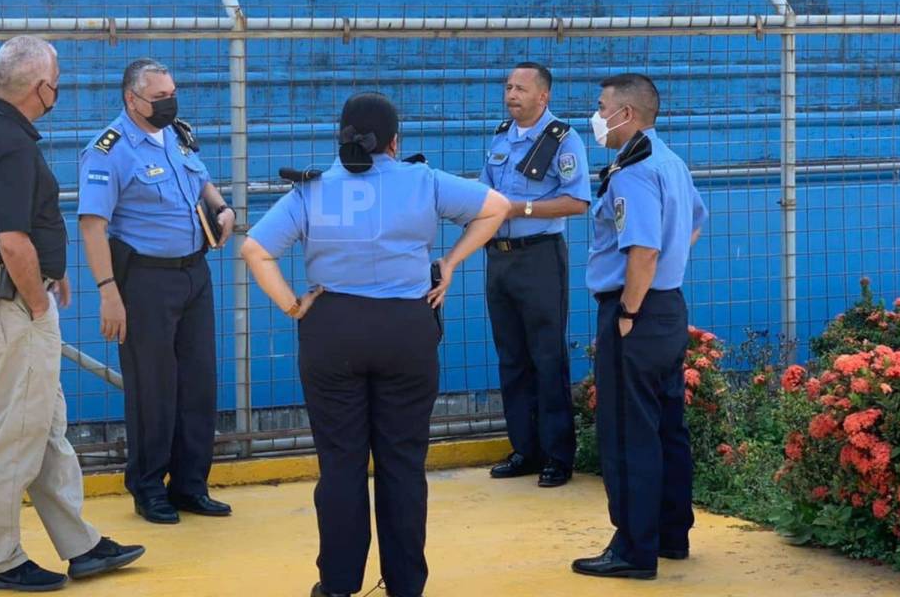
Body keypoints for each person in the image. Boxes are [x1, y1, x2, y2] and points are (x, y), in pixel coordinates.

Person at [240, 93, 509, 597]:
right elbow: (496, 208)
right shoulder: (423, 181)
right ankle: (405, 584)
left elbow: (255, 248)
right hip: (406, 328)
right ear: (394, 142)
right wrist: (448, 264)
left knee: (340, 463)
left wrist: (293, 306)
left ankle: (338, 585)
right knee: (403, 463)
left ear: (340, 136)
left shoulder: (311, 191)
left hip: (333, 328)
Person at [0, 35, 144, 591]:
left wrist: (48, 274)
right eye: (57, 77)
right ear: (41, 88)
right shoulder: (11, 145)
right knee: (15, 434)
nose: (60, 86)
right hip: (11, 306)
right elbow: (11, 239)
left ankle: (79, 545)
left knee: (45, 426)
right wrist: (37, 300)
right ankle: (1, 560)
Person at [77, 58, 234, 524]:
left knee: (198, 381)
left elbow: (204, 184)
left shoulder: (177, 135)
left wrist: (223, 210)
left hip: (193, 274)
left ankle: (190, 485)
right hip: (144, 281)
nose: (170, 102)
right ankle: (149, 487)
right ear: (132, 99)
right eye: (160, 96)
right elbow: (92, 225)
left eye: (172, 94)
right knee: (154, 388)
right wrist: (108, 291)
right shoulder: (110, 150)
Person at [572, 73, 708, 580]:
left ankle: (633, 548)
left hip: (638, 311)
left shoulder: (633, 171)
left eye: (602, 105)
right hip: (669, 306)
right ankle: (671, 534)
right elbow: (695, 221)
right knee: (668, 427)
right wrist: (663, 269)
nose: (597, 115)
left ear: (625, 114)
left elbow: (643, 251)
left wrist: (629, 310)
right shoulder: (670, 161)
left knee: (629, 433)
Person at [480, 62, 591, 487]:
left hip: (540, 257)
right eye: (508, 87)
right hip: (500, 258)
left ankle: (558, 456)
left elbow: (577, 201)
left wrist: (519, 208)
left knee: (547, 357)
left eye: (520, 89)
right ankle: (524, 449)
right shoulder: (499, 137)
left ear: (542, 96)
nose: (511, 95)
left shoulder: (562, 139)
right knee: (511, 357)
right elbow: (486, 193)